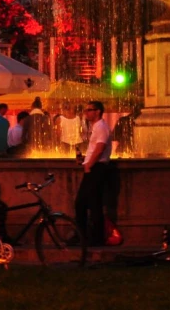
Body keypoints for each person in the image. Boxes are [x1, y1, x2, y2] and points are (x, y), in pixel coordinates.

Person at [75, 100, 112, 246]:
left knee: (86, 203)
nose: (86, 113)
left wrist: (89, 164)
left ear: (98, 112)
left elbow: (101, 147)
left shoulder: (101, 126)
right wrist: (85, 160)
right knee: (86, 203)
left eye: (89, 110)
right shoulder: (97, 127)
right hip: (94, 167)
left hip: (96, 168)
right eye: (86, 110)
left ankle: (90, 238)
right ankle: (87, 236)